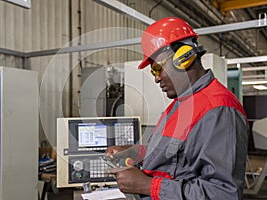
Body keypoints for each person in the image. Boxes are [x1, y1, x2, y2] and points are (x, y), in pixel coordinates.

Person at [106, 17, 249, 200]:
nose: (156, 78)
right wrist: (137, 152)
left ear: (184, 57)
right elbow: (174, 155)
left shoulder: (218, 111)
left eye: (158, 68)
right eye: (153, 71)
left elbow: (222, 194)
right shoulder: (181, 103)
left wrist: (148, 186)